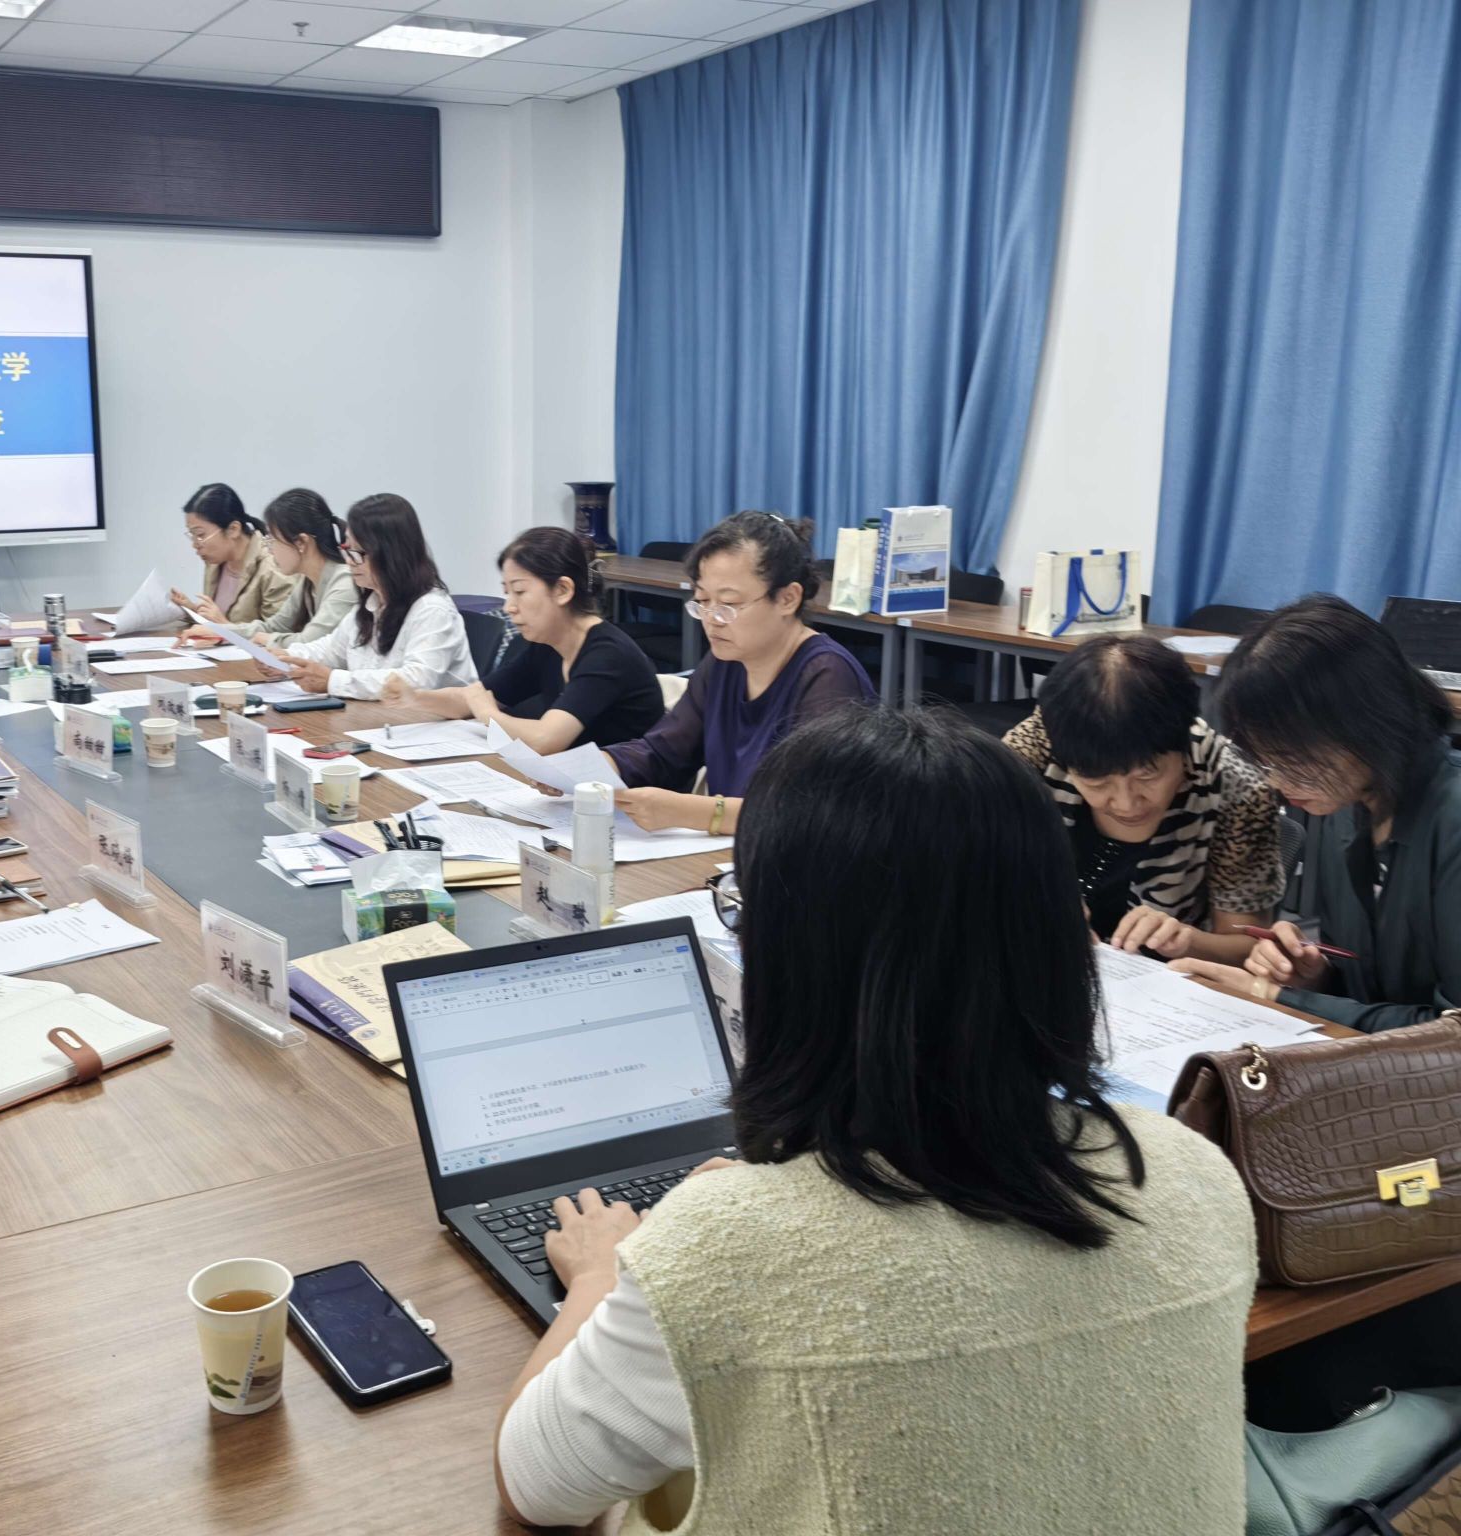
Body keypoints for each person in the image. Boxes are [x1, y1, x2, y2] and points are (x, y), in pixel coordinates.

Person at [494, 707, 1257, 1533]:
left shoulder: (726, 1250)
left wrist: (605, 1275)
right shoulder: (1196, 1174)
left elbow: (533, 1486)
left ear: (795, 956)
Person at [1169, 594, 1461, 1031]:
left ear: (1366, 721)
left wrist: (1279, 999)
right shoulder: (1343, 802)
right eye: (1266, 761)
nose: (1277, 783)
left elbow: (1452, 1031)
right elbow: (1370, 988)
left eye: (1292, 760)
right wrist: (1313, 975)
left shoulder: (1452, 818)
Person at [1003, 633, 1282, 963]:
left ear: (1183, 745)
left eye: (1148, 775)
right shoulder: (1031, 752)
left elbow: (1249, 946)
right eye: (1096, 781)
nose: (1126, 803)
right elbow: (967, 868)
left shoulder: (1236, 789)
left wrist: (1188, 940)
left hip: (1162, 980)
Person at [605, 512, 873, 834]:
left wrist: (694, 812)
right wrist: (601, 766)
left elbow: (810, 812)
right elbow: (664, 752)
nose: (711, 619)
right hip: (735, 849)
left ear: (787, 598)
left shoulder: (828, 676)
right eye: (702, 600)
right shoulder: (725, 661)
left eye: (728, 604)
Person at [382, 527, 663, 750]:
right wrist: (415, 696)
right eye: (507, 593)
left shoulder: (607, 655)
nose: (509, 607)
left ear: (562, 590)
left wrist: (488, 714)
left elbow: (546, 739)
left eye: (519, 592)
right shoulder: (548, 645)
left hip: (628, 796)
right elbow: (471, 698)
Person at [274, 493, 477, 699]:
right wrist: (285, 658)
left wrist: (333, 681)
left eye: (358, 552)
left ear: (392, 554)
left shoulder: (432, 610)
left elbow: (415, 681)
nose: (349, 561)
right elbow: (331, 650)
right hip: (381, 715)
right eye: (347, 549)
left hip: (430, 718)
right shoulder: (373, 602)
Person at [175, 488, 358, 648]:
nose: (269, 549)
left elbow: (309, 642)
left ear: (302, 542)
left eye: (273, 540)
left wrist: (266, 639)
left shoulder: (344, 583)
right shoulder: (307, 581)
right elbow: (273, 626)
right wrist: (220, 631)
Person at [166, 482, 295, 629]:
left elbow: (277, 635)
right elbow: (217, 621)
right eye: (192, 535)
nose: (195, 544)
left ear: (233, 529)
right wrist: (192, 610)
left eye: (200, 535)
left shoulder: (273, 569)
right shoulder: (215, 563)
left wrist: (224, 625)